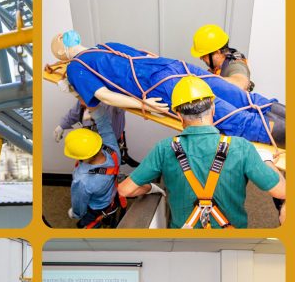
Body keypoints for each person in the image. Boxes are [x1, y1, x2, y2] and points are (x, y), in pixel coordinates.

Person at [50, 30, 286, 147]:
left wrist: (144, 104)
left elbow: (105, 96)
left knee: (230, 117)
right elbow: (148, 55)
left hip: (160, 86)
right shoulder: (106, 46)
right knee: (247, 99)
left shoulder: (76, 68)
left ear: (63, 54)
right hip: (173, 66)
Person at [119, 76, 286, 228]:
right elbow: (281, 191)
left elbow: (125, 190)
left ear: (178, 114)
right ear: (213, 108)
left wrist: (151, 189)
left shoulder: (163, 149)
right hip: (233, 240)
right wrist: (266, 160)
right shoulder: (241, 147)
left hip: (183, 240)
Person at [65, 107, 126, 229]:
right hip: (110, 198)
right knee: (106, 214)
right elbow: (105, 124)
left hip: (95, 208)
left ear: (85, 157)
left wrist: (76, 213)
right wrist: (94, 109)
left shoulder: (82, 180)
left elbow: (79, 202)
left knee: (90, 222)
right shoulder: (112, 150)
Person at [54, 101, 137, 169]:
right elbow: (76, 111)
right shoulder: (86, 91)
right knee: (86, 168)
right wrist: (62, 125)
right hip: (88, 142)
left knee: (106, 170)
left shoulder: (114, 100)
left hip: (107, 144)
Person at [190, 24, 253, 92]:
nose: (201, 58)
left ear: (217, 52)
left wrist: (206, 80)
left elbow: (241, 84)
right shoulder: (219, 67)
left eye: (204, 55)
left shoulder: (235, 65)